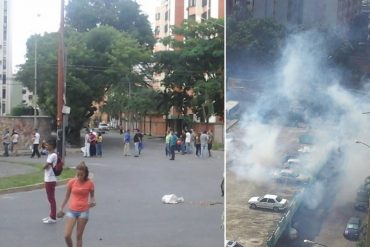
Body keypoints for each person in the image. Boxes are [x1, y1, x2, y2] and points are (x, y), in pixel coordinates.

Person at [59, 161, 96, 247]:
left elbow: (92, 197)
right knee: (67, 235)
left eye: (81, 175)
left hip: (83, 211)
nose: (79, 177)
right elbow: (67, 196)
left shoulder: (90, 183)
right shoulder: (72, 182)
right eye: (77, 174)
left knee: (78, 237)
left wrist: (93, 202)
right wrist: (61, 208)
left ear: (85, 174)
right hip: (72, 211)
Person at [42, 138, 58, 224]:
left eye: (47, 145)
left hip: (50, 179)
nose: (46, 146)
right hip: (48, 178)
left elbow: (45, 166)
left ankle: (53, 217)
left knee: (51, 199)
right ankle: (51, 215)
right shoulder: (50, 154)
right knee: (50, 199)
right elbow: (47, 165)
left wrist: (43, 166)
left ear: (52, 146)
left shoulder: (53, 155)